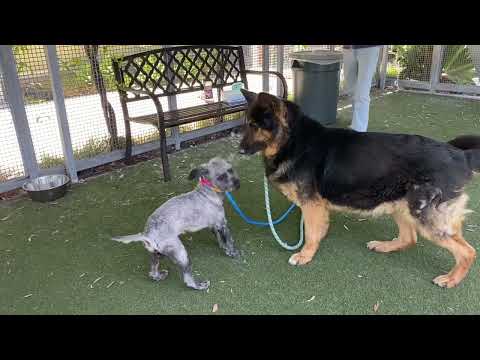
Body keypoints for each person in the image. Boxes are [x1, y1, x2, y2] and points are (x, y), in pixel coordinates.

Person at [342, 45, 382, 132]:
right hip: (348, 48)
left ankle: (359, 130)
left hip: (369, 48)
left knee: (362, 92)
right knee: (350, 88)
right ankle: (355, 120)